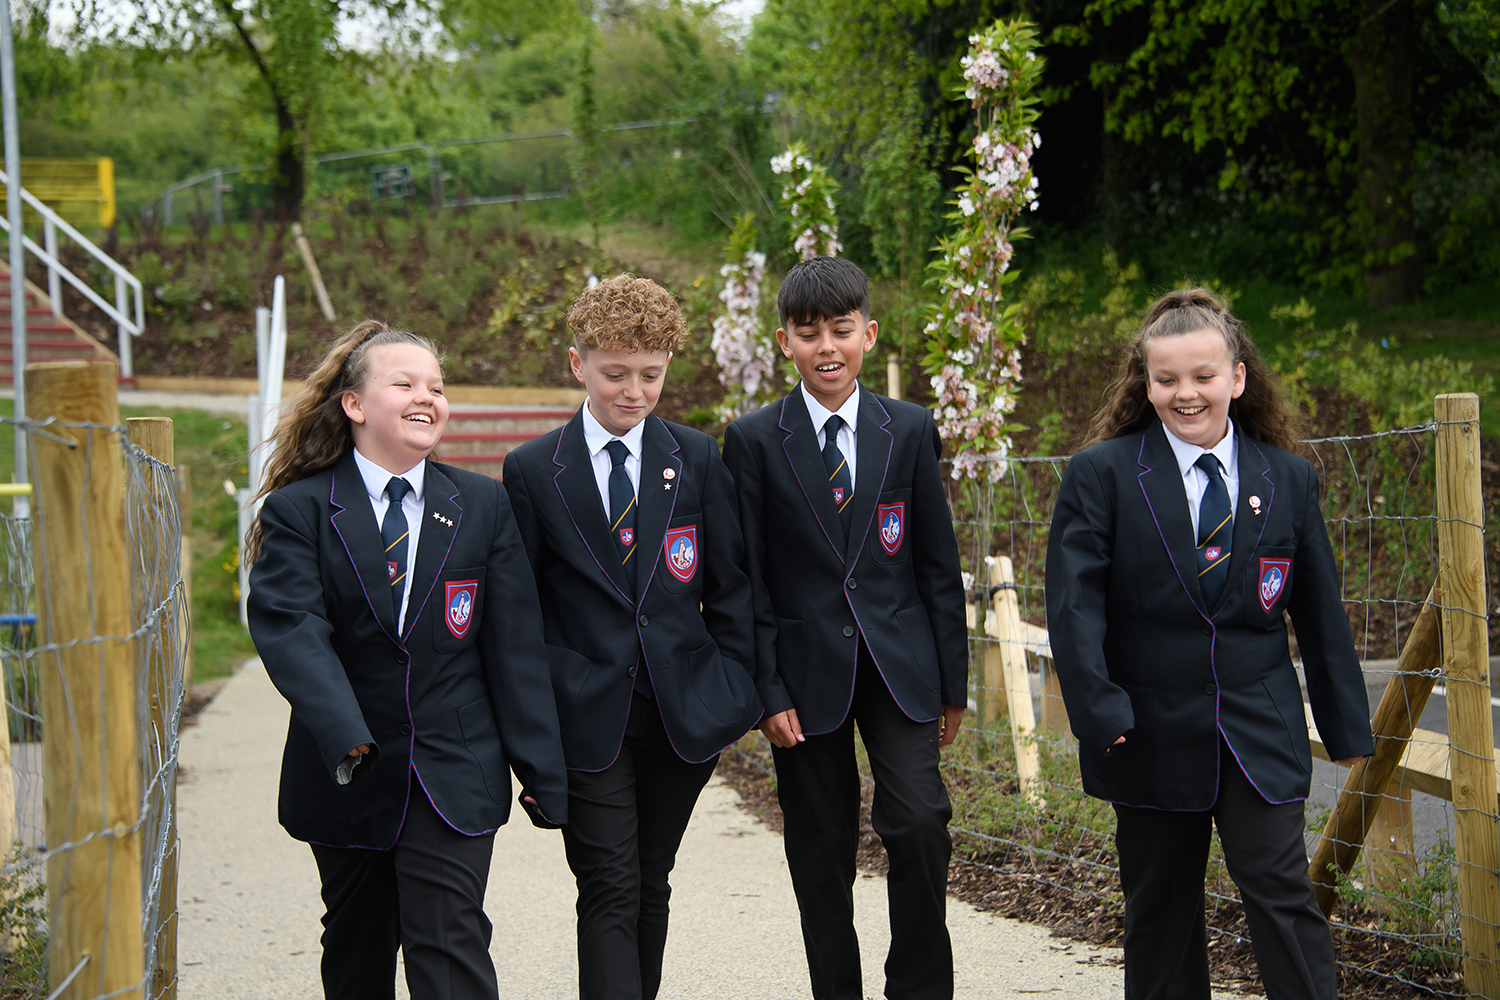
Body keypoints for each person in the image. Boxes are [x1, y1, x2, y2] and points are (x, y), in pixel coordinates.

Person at [1044, 288, 1375, 1000]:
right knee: (1160, 912)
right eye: (1167, 380)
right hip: (1147, 733)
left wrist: (1346, 724)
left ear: (1238, 378)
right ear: (1146, 383)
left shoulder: (1286, 479)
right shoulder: (1100, 476)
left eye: (1203, 377)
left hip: (1259, 727)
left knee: (1283, 895)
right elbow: (1075, 613)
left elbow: (1319, 611)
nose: (1186, 394)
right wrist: (1102, 718)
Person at [246, 320, 568, 1000]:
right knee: (358, 947)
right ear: (355, 405)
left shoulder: (481, 505)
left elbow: (513, 648)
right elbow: (292, 627)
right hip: (347, 765)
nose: (427, 397)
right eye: (405, 384)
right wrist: (345, 733)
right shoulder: (301, 511)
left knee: (450, 941)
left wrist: (541, 767)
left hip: (454, 765)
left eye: (437, 387)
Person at [502, 275, 762, 1000]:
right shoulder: (531, 472)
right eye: (615, 373)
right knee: (609, 885)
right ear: (577, 363)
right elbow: (519, 612)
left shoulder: (698, 458)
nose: (634, 391)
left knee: (651, 880)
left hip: (682, 716)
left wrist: (734, 689)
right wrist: (532, 726)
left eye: (651, 374)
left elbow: (732, 588)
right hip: (585, 716)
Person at [722, 255, 969, 1000]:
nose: (826, 347)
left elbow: (935, 562)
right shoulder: (755, 440)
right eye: (808, 333)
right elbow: (749, 579)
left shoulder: (909, 428)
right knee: (820, 849)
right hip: (802, 678)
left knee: (921, 823)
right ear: (783, 341)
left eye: (840, 330)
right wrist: (766, 689)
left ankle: (918, 989)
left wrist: (952, 684)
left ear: (868, 333)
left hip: (900, 666)